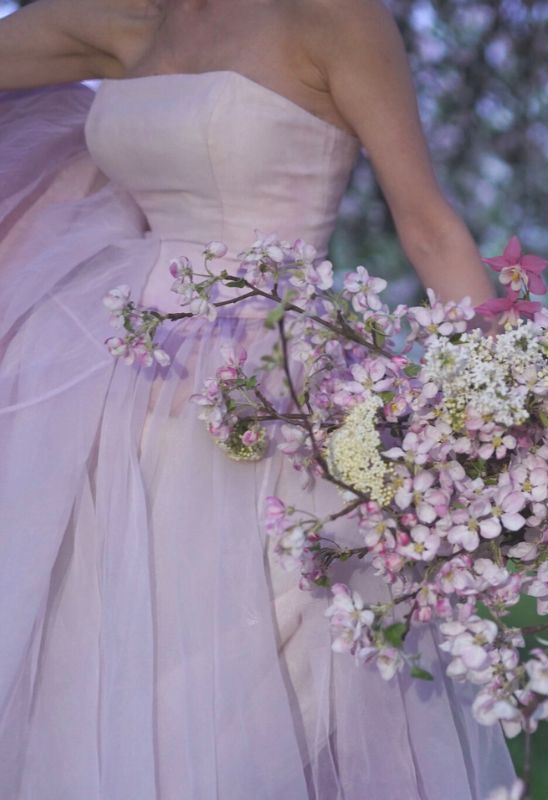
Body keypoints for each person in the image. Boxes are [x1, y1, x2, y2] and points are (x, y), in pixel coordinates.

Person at [0, 0, 517, 796]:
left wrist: (520, 424)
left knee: (235, 712)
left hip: (270, 404)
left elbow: (430, 231)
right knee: (89, 689)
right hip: (100, 393)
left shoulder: (336, 19)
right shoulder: (130, 16)